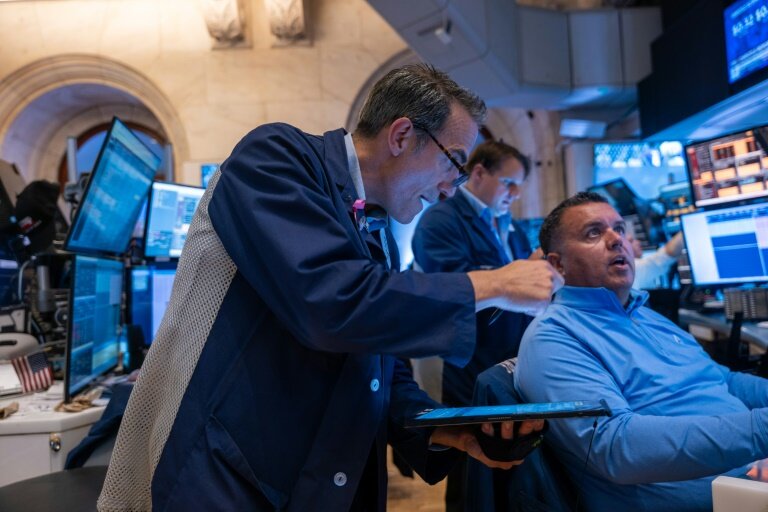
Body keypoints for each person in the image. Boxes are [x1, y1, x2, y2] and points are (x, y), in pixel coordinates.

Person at [98, 64, 562, 511]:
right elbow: (331, 303)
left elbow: (380, 370)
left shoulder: (376, 227)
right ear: (402, 135)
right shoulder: (275, 157)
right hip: (228, 480)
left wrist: (443, 429)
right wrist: (495, 283)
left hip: (323, 481)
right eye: (454, 165)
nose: (449, 189)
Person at [514, 191, 768, 512]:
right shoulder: (553, 338)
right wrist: (761, 429)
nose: (616, 240)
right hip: (720, 494)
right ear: (557, 264)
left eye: (619, 229)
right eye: (594, 233)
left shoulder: (643, 313)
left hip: (749, 468)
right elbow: (618, 449)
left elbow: (724, 382)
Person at [411, 139, 537, 511]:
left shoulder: (508, 226)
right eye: (509, 183)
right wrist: (517, 275)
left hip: (509, 358)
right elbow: (447, 283)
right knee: (469, 465)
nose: (514, 194)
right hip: (468, 359)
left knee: (502, 460)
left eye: (519, 187)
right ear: (478, 172)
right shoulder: (440, 219)